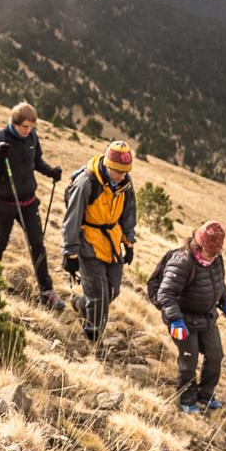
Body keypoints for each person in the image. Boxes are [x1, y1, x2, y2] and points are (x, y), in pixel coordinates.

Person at [0, 102, 64, 310]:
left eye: (32, 126)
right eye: (25, 126)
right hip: (4, 202)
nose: (28, 131)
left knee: (38, 244)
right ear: (14, 123)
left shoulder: (32, 138)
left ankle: (46, 290)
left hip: (28, 202)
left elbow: (36, 162)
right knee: (1, 243)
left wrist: (50, 171)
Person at [62, 141, 138, 349]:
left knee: (112, 290)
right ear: (107, 164)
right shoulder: (86, 182)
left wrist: (129, 243)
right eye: (118, 171)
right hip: (88, 242)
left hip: (111, 243)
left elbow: (129, 213)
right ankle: (94, 341)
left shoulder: (125, 184)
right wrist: (70, 253)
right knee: (99, 297)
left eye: (125, 171)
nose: (122, 175)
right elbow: (72, 218)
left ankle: (80, 304)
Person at [154, 220, 226, 413]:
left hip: (206, 317)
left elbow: (217, 282)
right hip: (182, 319)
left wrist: (225, 301)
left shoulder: (216, 259)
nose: (215, 257)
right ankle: (186, 400)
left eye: (217, 253)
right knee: (189, 358)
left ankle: (205, 395)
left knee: (215, 355)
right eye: (211, 252)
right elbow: (165, 294)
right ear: (199, 246)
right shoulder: (182, 262)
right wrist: (175, 320)